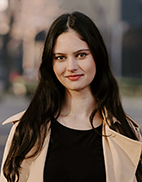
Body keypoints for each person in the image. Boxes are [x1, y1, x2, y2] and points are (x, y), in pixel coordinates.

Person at [0, 11, 142, 182]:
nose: (71, 67)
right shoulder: (26, 130)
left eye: (81, 55)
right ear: (51, 64)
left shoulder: (125, 132)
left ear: (97, 56)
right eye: (60, 57)